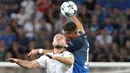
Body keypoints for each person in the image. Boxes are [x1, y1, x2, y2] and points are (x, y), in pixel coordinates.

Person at [6, 33, 74, 73]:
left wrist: (54, 57)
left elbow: (69, 61)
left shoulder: (68, 54)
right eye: (56, 37)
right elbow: (30, 64)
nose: (58, 38)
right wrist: (17, 61)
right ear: (53, 43)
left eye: (61, 38)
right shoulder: (47, 57)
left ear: (66, 44)